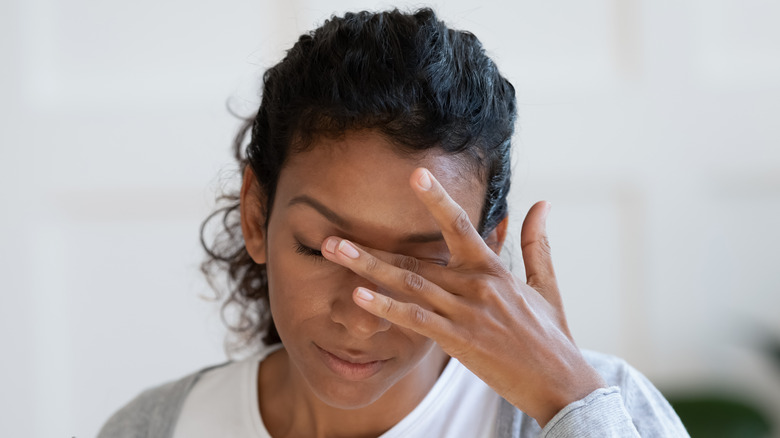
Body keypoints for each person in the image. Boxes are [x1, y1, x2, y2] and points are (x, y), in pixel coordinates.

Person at [98, 8, 688, 438]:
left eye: (421, 266)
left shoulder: (600, 410)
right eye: (322, 249)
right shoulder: (158, 427)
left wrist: (570, 401)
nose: (361, 317)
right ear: (257, 215)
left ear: (490, 251)